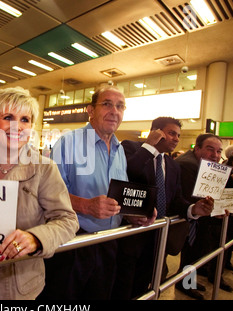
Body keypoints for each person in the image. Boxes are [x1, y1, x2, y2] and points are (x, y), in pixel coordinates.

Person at [38, 85, 155, 300]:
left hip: (109, 242)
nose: (114, 111)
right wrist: (86, 205)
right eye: (107, 104)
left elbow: (119, 196)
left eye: (120, 106)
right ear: (91, 110)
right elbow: (48, 194)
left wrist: (131, 214)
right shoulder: (69, 142)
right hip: (73, 243)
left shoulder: (119, 150)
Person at [0, 87, 79, 300]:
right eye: (8, 117)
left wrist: (35, 238)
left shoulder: (44, 168)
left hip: (18, 287)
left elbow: (68, 220)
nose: (17, 126)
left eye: (24, 119)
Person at [113, 117, 214, 300]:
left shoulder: (173, 166)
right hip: (130, 236)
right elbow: (128, 172)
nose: (176, 139)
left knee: (143, 287)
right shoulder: (131, 148)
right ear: (156, 132)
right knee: (122, 286)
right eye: (171, 133)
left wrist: (193, 209)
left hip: (157, 238)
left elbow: (175, 200)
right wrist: (150, 146)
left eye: (178, 135)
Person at [175, 133, 231, 298]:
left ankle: (187, 280)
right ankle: (184, 283)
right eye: (210, 150)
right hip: (187, 218)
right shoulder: (188, 165)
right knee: (191, 251)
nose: (215, 155)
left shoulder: (202, 165)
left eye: (219, 151)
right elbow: (189, 197)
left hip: (197, 217)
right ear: (197, 148)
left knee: (194, 252)